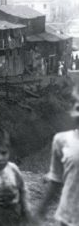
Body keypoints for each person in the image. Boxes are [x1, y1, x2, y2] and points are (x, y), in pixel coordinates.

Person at [36, 85, 79, 226]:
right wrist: (40, 211)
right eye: (74, 101)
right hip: (67, 217)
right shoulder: (61, 140)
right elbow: (56, 181)